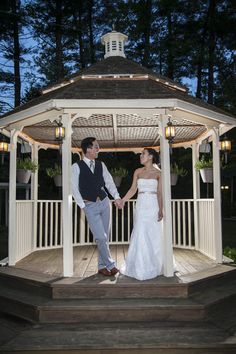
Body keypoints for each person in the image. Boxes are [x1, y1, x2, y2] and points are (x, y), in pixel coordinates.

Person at [71, 137, 122, 276]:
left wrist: (116, 197)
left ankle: (101, 266)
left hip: (105, 203)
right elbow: (74, 188)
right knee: (100, 237)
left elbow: (109, 182)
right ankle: (111, 264)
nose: (98, 149)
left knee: (106, 237)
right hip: (90, 205)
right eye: (96, 146)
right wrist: (83, 205)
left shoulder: (101, 165)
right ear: (88, 149)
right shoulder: (76, 167)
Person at [120, 148, 164, 281]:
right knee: (140, 232)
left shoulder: (159, 173)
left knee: (153, 234)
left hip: (153, 206)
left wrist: (160, 210)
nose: (141, 156)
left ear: (150, 156)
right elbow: (133, 189)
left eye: (143, 154)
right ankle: (139, 265)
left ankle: (155, 264)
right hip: (141, 205)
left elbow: (160, 193)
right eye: (141, 154)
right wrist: (123, 200)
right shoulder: (137, 172)